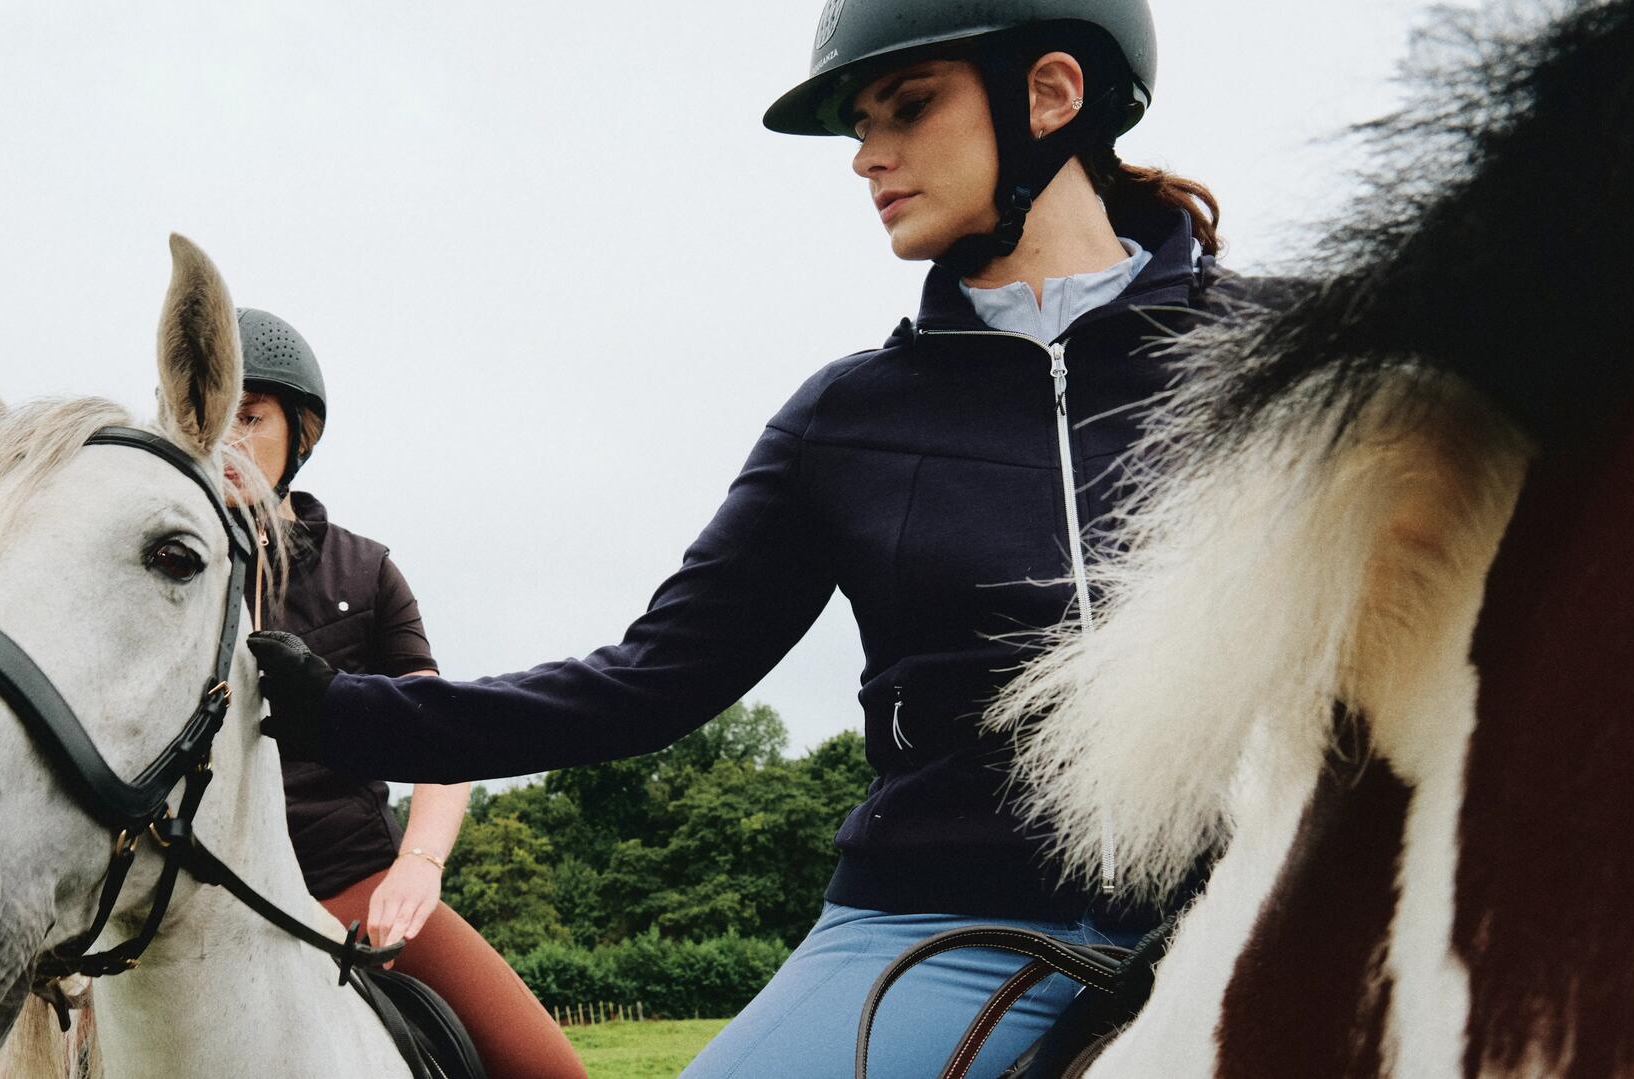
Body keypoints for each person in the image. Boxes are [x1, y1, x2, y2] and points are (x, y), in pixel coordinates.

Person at [251, 2, 1257, 1074]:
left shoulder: (1287, 363)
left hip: (1255, 899)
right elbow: (647, 682)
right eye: (860, 125)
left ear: (1051, 94)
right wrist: (345, 714)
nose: (867, 156)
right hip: (936, 921)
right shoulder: (845, 420)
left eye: (909, 107)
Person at [228, 308, 585, 1079]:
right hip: (206, 900)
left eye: (249, 417)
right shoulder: (153, 574)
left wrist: (418, 864)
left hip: (355, 881)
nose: (225, 441)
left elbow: (439, 735)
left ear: (300, 432)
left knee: (551, 1070)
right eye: (206, 420)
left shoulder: (365, 573)